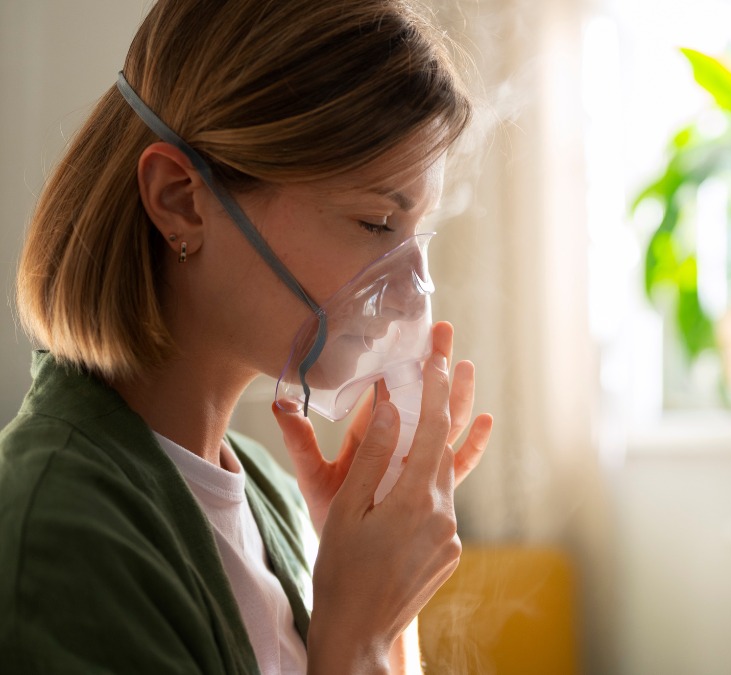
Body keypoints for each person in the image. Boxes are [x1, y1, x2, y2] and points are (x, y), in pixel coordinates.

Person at [0, 0, 493, 673]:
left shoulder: (271, 501)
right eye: (377, 223)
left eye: (415, 234)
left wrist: (384, 599)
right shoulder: (58, 534)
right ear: (180, 200)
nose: (412, 293)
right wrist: (360, 635)